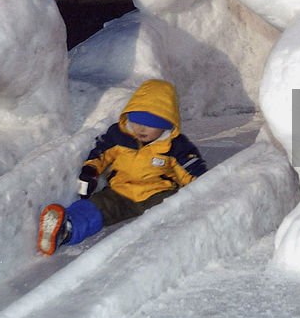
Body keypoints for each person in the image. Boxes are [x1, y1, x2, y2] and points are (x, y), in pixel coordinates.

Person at [38, 79, 208, 255]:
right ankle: (67, 228)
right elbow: (101, 152)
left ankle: (170, 241)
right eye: (136, 121)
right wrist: (91, 169)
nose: (140, 128)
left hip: (157, 194)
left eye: (150, 124)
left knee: (171, 209)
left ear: (166, 123)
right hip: (120, 192)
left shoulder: (175, 146)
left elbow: (192, 171)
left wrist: (202, 189)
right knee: (97, 206)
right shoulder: (119, 136)